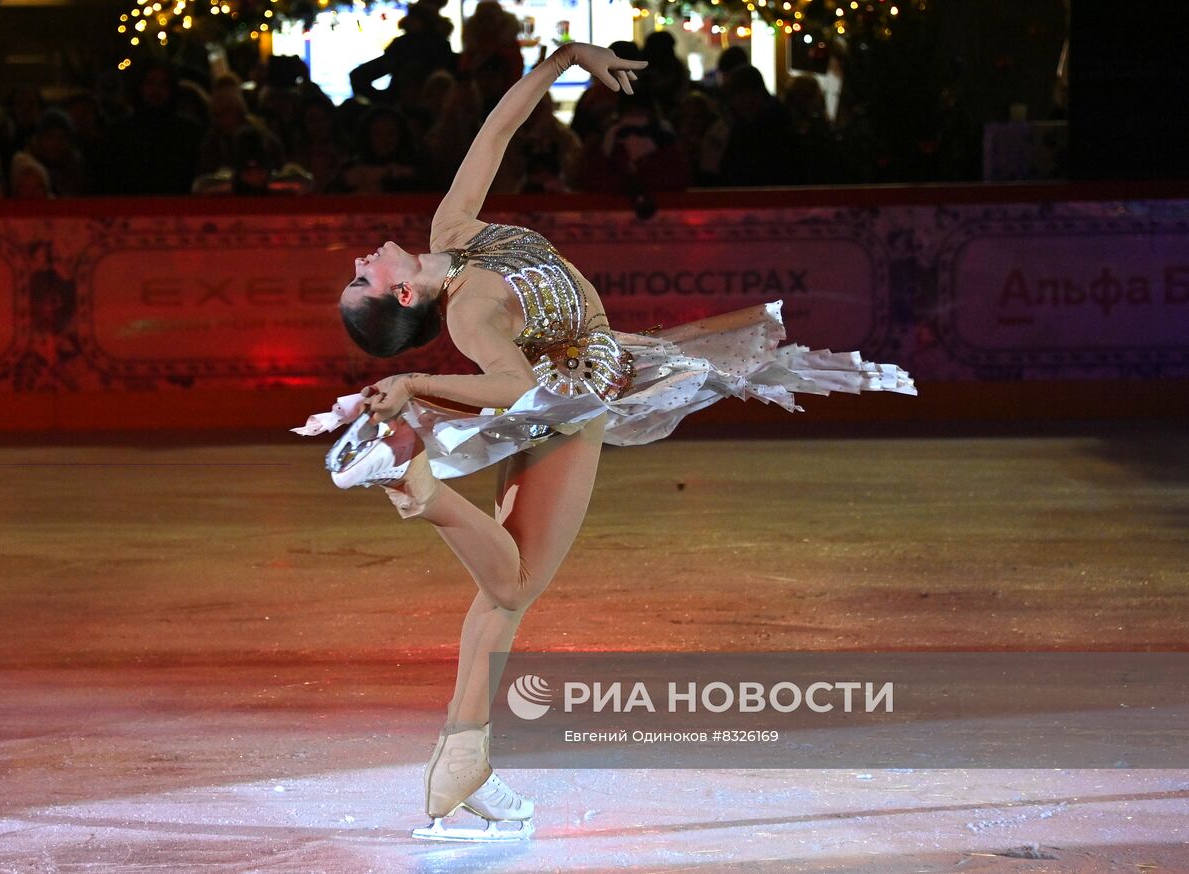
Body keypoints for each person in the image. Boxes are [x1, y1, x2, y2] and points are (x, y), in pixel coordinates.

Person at [295, 41, 917, 843]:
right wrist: (417, 389)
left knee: (501, 599)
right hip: (575, 399)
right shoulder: (467, 310)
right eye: (363, 279)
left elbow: (494, 132)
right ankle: (413, 480)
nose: (358, 261)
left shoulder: (455, 230)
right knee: (514, 587)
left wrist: (558, 63)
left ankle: (462, 768)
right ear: (406, 293)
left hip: (591, 374)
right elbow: (521, 389)